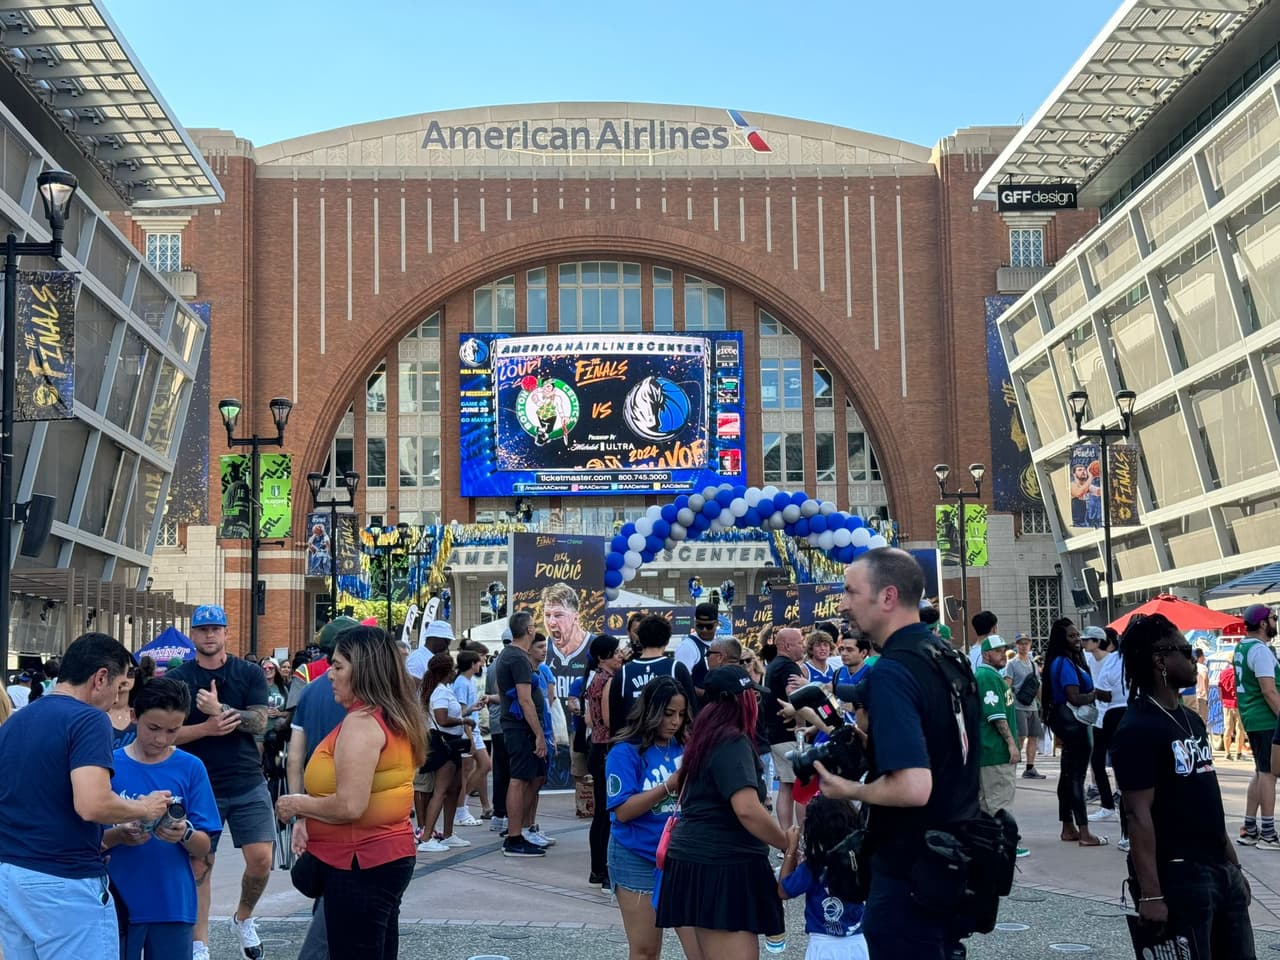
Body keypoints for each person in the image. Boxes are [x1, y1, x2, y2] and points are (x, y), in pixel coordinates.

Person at [816, 548, 980, 960]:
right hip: (954, 861)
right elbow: (943, 755)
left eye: (851, 592)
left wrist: (846, 788)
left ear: (887, 597)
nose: (843, 604)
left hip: (910, 868)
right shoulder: (949, 656)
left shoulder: (892, 670)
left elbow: (912, 787)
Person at [0, 633, 172, 959]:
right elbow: (92, 804)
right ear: (100, 678)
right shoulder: (89, 718)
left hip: (11, 876)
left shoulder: (17, 720)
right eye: (120, 688)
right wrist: (144, 807)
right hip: (64, 882)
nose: (117, 700)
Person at [275, 626, 427, 959]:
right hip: (383, 854)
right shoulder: (393, 715)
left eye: (338, 666)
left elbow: (350, 805)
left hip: (360, 861)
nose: (330, 674)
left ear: (363, 669)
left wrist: (296, 804)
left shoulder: (361, 723)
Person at [1112, 613, 1256, 958]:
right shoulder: (1137, 727)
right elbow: (1137, 814)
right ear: (1160, 660)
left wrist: (1234, 868)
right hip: (1180, 876)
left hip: (1219, 869)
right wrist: (1151, 894)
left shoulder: (1189, 719)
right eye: (1186, 651)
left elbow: (1207, 798)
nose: (1194, 660)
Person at [655, 665, 788, 960]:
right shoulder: (732, 739)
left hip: (701, 861)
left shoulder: (706, 737)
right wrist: (786, 843)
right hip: (721, 865)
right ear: (740, 700)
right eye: (752, 695)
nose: (757, 701)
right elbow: (747, 810)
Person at [167, 604, 273, 960]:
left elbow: (260, 723)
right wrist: (206, 727)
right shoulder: (178, 679)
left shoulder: (249, 673)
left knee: (261, 859)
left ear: (227, 632)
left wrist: (220, 709)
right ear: (193, 635)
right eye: (202, 629)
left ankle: (243, 918)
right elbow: (165, 734)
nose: (209, 635)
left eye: (216, 628)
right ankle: (200, 944)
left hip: (246, 778)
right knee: (200, 864)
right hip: (198, 784)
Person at [106, 677, 220, 960]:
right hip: (117, 903)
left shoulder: (191, 767)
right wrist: (120, 834)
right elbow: (88, 839)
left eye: (173, 730)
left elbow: (205, 846)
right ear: (134, 716)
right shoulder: (108, 765)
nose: (161, 739)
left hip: (172, 903)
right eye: (153, 728)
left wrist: (184, 834)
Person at [606, 676, 690, 960]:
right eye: (668, 714)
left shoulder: (685, 746)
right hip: (636, 855)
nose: (675, 721)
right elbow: (623, 810)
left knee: (701, 946)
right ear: (651, 710)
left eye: (680, 714)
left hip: (680, 855)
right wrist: (668, 786)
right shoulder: (624, 751)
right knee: (646, 950)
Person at [1041, 618, 1107, 847]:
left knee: (1067, 775)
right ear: (1062, 639)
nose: (1077, 640)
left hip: (1064, 720)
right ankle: (1084, 831)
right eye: (1071, 636)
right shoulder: (1065, 663)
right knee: (1076, 776)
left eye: (1077, 635)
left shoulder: (1059, 662)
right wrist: (1095, 694)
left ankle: (1068, 827)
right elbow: (1074, 697)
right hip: (1074, 722)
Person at [778, 795, 869, 960]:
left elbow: (784, 891)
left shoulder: (814, 865)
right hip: (859, 943)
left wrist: (791, 850)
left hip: (823, 946)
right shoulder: (861, 859)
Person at [494, 610, 549, 858]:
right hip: (519, 727)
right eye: (533, 625)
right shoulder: (516, 658)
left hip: (519, 726)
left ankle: (522, 832)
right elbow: (525, 700)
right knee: (518, 779)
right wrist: (538, 734)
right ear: (528, 630)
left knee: (532, 778)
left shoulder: (514, 656)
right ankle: (514, 838)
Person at [415, 653, 476, 852]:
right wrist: (463, 721)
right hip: (445, 744)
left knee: (453, 789)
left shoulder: (441, 689)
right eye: (451, 668)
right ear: (445, 671)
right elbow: (441, 719)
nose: (453, 672)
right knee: (441, 791)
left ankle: (448, 833)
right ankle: (426, 837)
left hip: (452, 744)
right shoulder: (440, 692)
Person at [1234, 603, 1280, 849]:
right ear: (1263, 623)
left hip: (1252, 717)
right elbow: (1269, 690)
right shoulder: (1260, 651)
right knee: (1268, 774)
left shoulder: (1243, 646)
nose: (1275, 622)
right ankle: (1268, 833)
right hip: (1265, 719)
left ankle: (1250, 828)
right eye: (1273, 618)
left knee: (1261, 772)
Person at [605, 615, 697, 735]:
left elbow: (615, 721)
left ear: (640, 638)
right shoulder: (676, 669)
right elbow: (692, 713)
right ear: (667, 640)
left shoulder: (624, 672)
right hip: (668, 746)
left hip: (633, 746)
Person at [582, 634, 624, 888]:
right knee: (607, 813)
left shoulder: (594, 679)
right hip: (606, 747)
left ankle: (597, 869)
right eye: (616, 652)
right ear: (602, 657)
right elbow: (609, 720)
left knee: (600, 813)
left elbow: (590, 719)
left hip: (596, 747)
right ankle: (605, 871)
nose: (620, 656)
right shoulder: (607, 680)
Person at [763, 626, 806, 832]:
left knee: (787, 787)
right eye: (799, 642)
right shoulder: (789, 667)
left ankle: (787, 840)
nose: (803, 646)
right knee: (803, 786)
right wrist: (801, 723)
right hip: (789, 735)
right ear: (788, 645)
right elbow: (794, 695)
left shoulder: (772, 666)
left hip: (774, 734)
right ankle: (803, 839)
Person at [1086, 627, 1125, 827]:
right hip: (1108, 714)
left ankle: (1112, 805)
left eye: (1089, 640)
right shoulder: (1099, 658)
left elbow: (1105, 692)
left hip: (1111, 713)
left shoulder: (1113, 660)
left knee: (1108, 759)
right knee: (1105, 759)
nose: (1085, 643)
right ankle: (1111, 804)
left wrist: (1092, 695)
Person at [1005, 633, 1045, 779]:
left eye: (1026, 643)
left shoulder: (1034, 664)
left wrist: (1042, 704)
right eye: (1020, 643)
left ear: (1030, 645)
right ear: (1016, 645)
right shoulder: (1012, 664)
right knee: (1020, 736)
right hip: (1018, 705)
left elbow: (1037, 686)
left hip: (1032, 705)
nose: (1023, 646)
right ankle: (1011, 768)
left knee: (1033, 736)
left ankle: (1030, 767)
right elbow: (1007, 685)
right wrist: (1007, 704)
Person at [675, 601, 721, 696]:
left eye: (708, 626)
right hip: (698, 706)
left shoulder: (721, 642)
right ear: (695, 623)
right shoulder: (687, 646)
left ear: (716, 624)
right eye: (700, 626)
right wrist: (707, 695)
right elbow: (681, 682)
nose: (704, 630)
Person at [110, 665, 138, 750]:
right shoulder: (94, 714)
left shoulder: (143, 712)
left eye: (130, 671)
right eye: (119, 670)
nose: (125, 677)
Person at [1221, 655, 1243, 762]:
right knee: (1240, 729)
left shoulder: (1223, 673)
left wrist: (1222, 701)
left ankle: (1227, 753)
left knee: (1228, 729)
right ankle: (1238, 753)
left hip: (1226, 704)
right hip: (1239, 705)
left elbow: (1219, 688)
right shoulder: (1240, 674)